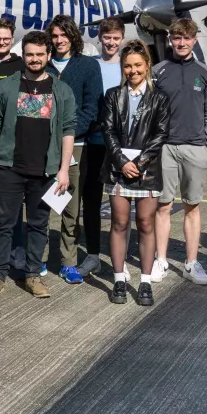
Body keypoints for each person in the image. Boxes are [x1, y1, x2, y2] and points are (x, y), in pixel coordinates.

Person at [0, 30, 76, 300]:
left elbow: (69, 129)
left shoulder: (61, 90)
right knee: (2, 223)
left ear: (48, 55)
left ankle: (33, 274)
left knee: (38, 225)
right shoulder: (6, 87)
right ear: (23, 56)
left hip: (45, 171)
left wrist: (63, 170)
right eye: (29, 54)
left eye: (39, 54)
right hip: (9, 167)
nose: (34, 59)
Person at [101, 40, 169, 306]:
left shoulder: (160, 97)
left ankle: (145, 282)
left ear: (147, 65)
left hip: (147, 170)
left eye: (138, 65)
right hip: (118, 170)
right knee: (118, 223)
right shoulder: (112, 95)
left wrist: (139, 162)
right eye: (127, 66)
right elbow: (107, 130)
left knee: (145, 223)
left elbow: (161, 133)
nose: (133, 70)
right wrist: (121, 161)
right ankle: (119, 278)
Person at [151, 18, 207, 285]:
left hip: (196, 147)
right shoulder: (158, 71)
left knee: (192, 205)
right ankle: (161, 260)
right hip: (165, 147)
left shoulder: (206, 72)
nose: (181, 43)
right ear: (170, 39)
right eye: (177, 38)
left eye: (186, 38)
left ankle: (191, 263)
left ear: (194, 40)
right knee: (163, 205)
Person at [45, 15, 103, 286]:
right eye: (54, 36)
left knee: (69, 207)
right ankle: (38, 258)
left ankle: (68, 262)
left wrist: (66, 133)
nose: (59, 41)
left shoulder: (88, 66)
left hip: (76, 147)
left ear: (73, 36)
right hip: (41, 147)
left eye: (63, 35)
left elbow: (92, 109)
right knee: (40, 205)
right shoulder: (40, 64)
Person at [77, 18, 124, 277]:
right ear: (100, 37)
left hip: (118, 145)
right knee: (91, 200)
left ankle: (121, 256)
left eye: (116, 38)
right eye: (107, 37)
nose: (111, 42)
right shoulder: (90, 65)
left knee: (122, 203)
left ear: (121, 39)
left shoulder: (127, 67)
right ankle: (93, 254)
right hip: (93, 142)